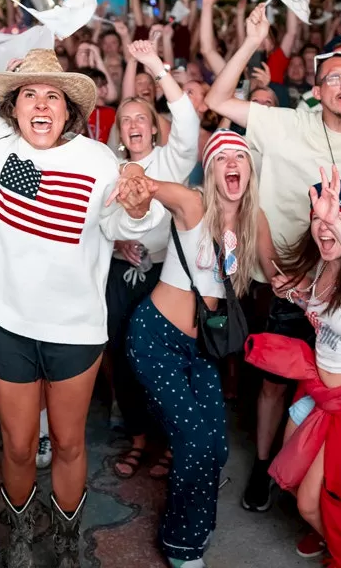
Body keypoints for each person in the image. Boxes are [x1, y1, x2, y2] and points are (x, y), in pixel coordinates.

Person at [0, 0, 163, 568]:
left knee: (73, 442)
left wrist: (135, 206)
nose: (40, 105)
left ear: (71, 109)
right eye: (29, 95)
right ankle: (22, 538)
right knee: (20, 444)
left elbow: (132, 229)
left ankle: (69, 540)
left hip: (77, 328)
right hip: (7, 323)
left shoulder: (97, 160)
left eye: (52, 97)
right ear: (13, 106)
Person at [203, 4, 341, 513]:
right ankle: (268, 469)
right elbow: (217, 98)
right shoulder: (285, 123)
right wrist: (249, 41)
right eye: (332, 78)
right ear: (316, 88)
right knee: (276, 384)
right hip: (293, 283)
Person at [126, 129, 271, 568]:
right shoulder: (194, 205)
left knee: (217, 447)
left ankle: (197, 515)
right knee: (193, 442)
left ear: (249, 169)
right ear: (210, 171)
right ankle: (181, 544)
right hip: (156, 340)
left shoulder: (253, 220)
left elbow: (277, 275)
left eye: (239, 157)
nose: (232, 163)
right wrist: (136, 176)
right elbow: (151, 185)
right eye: (222, 157)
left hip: (201, 347)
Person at [247, 167, 341, 568]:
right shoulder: (323, 267)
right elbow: (317, 306)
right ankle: (331, 532)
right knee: (294, 479)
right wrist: (291, 290)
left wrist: (336, 224)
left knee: (314, 499)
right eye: (318, 223)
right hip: (316, 392)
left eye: (337, 226)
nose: (325, 232)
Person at [109, 39, 199, 480]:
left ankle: (167, 441)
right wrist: (112, 246)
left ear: (153, 126)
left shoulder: (172, 159)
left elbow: (188, 118)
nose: (133, 126)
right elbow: (90, 225)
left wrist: (155, 67)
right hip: (119, 275)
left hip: (167, 275)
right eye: (125, 121)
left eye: (141, 119)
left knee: (165, 361)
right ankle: (138, 439)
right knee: (123, 356)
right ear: (120, 132)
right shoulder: (106, 169)